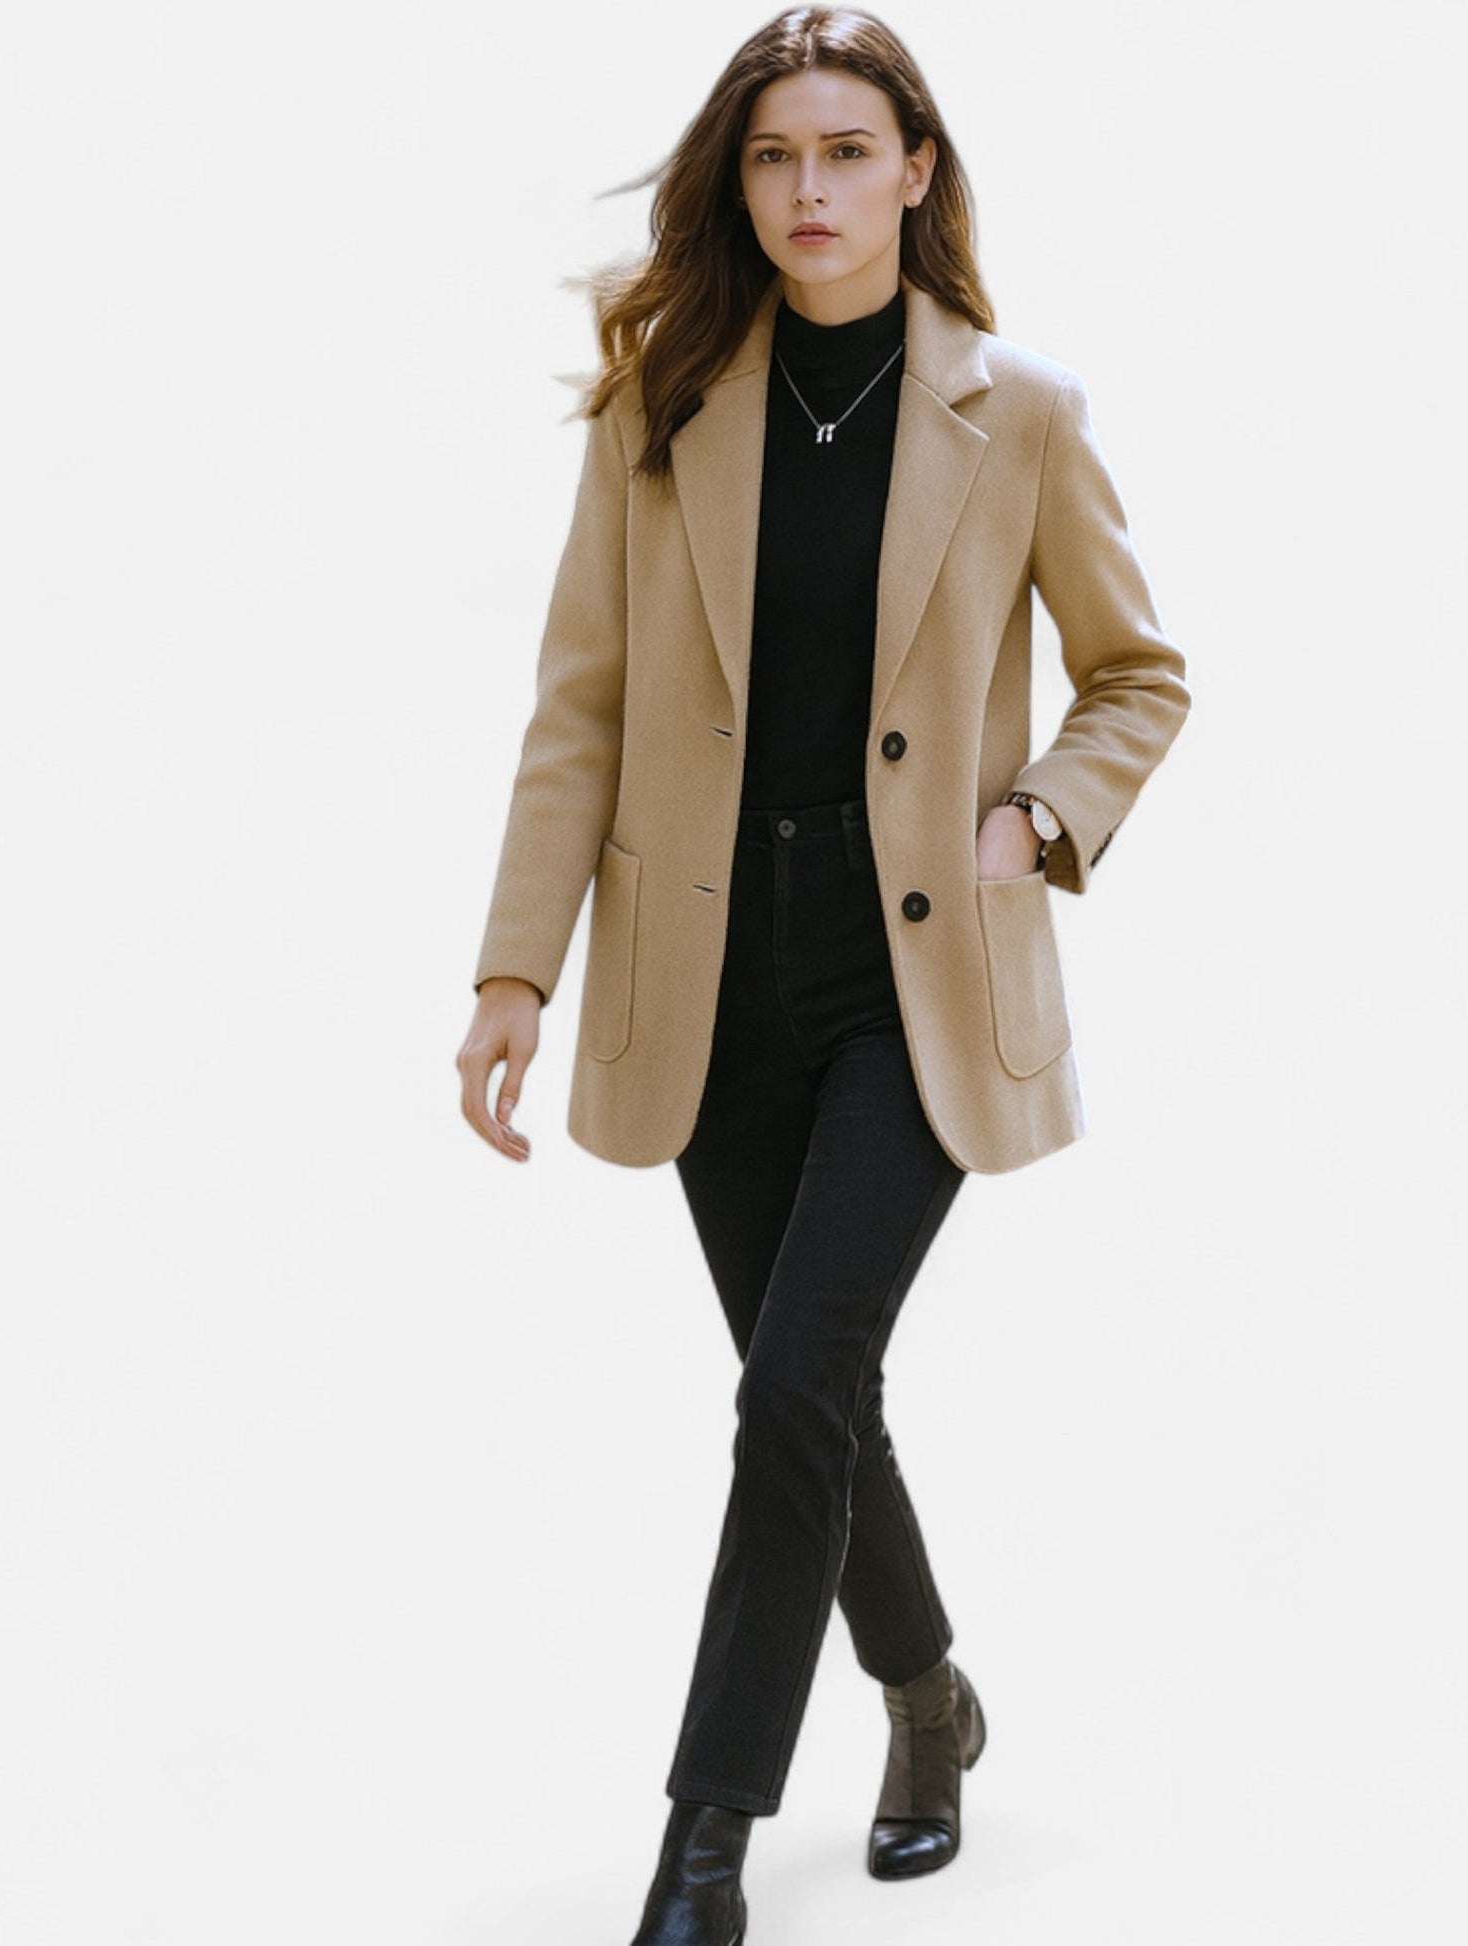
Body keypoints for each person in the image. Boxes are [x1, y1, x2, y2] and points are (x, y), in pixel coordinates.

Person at [456, 8, 1191, 1941]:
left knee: (794, 1381)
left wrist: (1034, 818)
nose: (808, 189)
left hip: (909, 983)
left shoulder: (1020, 413)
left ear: (915, 171)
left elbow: (1137, 676)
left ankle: (702, 1844)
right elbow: (578, 710)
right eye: (775, 155)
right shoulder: (664, 405)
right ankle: (929, 1696)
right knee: (816, 1397)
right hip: (704, 970)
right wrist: (516, 970)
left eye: (847, 151)